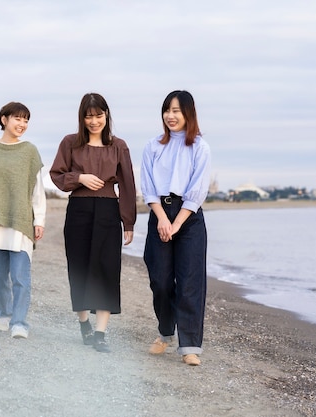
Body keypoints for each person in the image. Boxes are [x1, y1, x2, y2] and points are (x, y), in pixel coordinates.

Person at [50, 93, 136, 353]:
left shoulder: (118, 145)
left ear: (106, 115)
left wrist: (128, 222)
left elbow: (128, 185)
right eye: (89, 116)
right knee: (79, 267)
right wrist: (80, 178)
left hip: (109, 210)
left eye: (98, 115)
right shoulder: (70, 143)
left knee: (107, 269)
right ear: (82, 117)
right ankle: (84, 324)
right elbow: (56, 175)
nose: (94, 121)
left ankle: (100, 333)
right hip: (79, 210)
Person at [140, 90, 211, 366]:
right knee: (159, 279)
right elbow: (148, 186)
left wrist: (177, 222)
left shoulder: (200, 147)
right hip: (160, 212)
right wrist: (161, 218)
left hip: (189, 217)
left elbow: (197, 190)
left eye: (177, 111)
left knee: (190, 281)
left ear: (189, 114)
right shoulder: (153, 145)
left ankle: (190, 345)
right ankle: (165, 332)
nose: (170, 116)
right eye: (167, 110)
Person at [0, 102, 46, 339]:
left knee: (21, 276)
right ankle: (4, 313)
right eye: (18, 119)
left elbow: (38, 190)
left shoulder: (30, 151)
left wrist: (39, 220)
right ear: (4, 119)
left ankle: (19, 322)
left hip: (21, 221)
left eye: (26, 120)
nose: (22, 124)